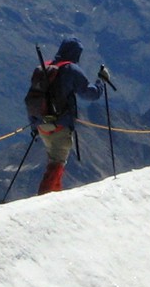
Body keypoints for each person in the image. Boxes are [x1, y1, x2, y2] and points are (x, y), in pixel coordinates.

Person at [27, 37, 107, 194]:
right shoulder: (71, 69)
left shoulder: (44, 68)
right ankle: (44, 198)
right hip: (61, 124)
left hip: (41, 126)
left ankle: (54, 196)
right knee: (57, 162)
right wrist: (101, 82)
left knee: (54, 159)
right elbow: (90, 94)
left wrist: (34, 125)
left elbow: (32, 99)